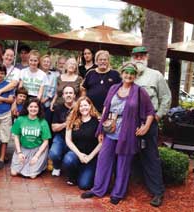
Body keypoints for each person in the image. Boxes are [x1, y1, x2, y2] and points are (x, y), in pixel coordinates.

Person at [81, 63, 155, 205]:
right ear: (121, 74)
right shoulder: (114, 88)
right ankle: (98, 189)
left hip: (127, 132)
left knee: (123, 163)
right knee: (103, 160)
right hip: (110, 129)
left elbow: (150, 112)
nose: (128, 75)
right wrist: (101, 129)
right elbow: (105, 109)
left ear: (135, 76)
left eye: (132, 73)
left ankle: (118, 193)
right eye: (126, 73)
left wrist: (145, 127)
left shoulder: (140, 92)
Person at [131, 46, 172, 207]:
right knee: (128, 153)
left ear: (147, 57)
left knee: (150, 155)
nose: (139, 58)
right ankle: (131, 183)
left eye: (142, 56)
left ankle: (157, 192)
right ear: (132, 58)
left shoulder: (156, 76)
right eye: (136, 56)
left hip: (149, 120)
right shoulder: (128, 74)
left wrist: (158, 115)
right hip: (130, 122)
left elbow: (166, 97)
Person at [63, 96, 102, 190]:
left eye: (86, 105)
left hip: (91, 157)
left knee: (84, 185)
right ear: (78, 108)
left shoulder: (97, 121)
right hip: (76, 154)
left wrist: (90, 157)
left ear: (90, 106)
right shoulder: (72, 120)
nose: (83, 108)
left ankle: (83, 172)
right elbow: (68, 140)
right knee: (68, 159)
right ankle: (72, 176)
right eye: (81, 106)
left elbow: (101, 142)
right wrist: (79, 155)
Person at [11, 98, 51, 179]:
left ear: (39, 109)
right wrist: (19, 152)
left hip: (37, 149)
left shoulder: (43, 122)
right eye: (31, 106)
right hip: (23, 148)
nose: (33, 109)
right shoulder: (20, 119)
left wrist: (36, 156)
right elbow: (16, 136)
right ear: (27, 108)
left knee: (32, 175)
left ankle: (43, 163)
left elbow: (46, 141)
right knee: (14, 173)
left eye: (36, 107)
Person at [48, 85, 76, 177]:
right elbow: (54, 127)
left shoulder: (79, 107)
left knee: (69, 159)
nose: (68, 95)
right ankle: (56, 166)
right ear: (63, 96)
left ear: (74, 95)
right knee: (54, 153)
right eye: (66, 93)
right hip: (60, 137)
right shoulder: (58, 108)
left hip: (75, 138)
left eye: (70, 93)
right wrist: (66, 123)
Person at [40, 55, 57, 126]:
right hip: (36, 102)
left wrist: (44, 99)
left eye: (48, 62)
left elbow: (53, 89)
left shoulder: (53, 75)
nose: (46, 63)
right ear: (41, 62)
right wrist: (39, 99)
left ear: (50, 64)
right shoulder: (38, 73)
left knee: (45, 124)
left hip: (48, 104)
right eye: (44, 61)